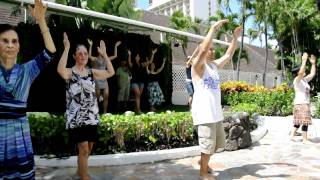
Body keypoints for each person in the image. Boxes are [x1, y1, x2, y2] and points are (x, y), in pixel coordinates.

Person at [0, 0, 56, 179]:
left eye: (14, 41)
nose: (10, 45)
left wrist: (41, 21)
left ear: (18, 46)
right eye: (5, 41)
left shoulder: (27, 71)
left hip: (20, 136)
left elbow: (50, 51)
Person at [57, 33, 115, 180]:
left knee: (87, 149)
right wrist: (67, 48)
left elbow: (110, 72)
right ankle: (84, 177)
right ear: (75, 56)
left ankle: (80, 172)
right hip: (76, 118)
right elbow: (60, 70)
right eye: (79, 53)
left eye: (85, 53)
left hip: (92, 117)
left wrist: (105, 54)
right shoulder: (70, 72)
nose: (83, 55)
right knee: (83, 148)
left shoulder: (91, 72)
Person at [191, 19, 242, 180]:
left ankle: (202, 162)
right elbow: (204, 48)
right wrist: (213, 28)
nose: (212, 51)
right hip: (204, 115)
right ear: (202, 51)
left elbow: (228, 54)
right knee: (207, 145)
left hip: (215, 114)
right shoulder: (198, 67)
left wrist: (235, 38)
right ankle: (202, 173)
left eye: (213, 49)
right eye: (210, 49)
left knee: (215, 145)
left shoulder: (213, 66)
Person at [88, 39, 121, 113]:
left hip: (104, 78)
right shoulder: (95, 59)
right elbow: (89, 56)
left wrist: (115, 46)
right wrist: (90, 45)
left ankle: (105, 112)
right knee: (97, 95)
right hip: (97, 78)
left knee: (106, 95)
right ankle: (95, 110)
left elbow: (115, 56)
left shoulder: (106, 59)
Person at [290, 53, 316, 144]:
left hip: (303, 103)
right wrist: (304, 61)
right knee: (305, 121)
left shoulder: (304, 80)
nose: (305, 69)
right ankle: (305, 140)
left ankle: (292, 135)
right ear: (298, 72)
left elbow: (312, 74)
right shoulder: (297, 80)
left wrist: (313, 63)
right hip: (301, 103)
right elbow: (301, 73)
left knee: (299, 121)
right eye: (303, 69)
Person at [127, 48, 157, 113]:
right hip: (134, 82)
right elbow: (129, 62)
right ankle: (139, 110)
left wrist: (153, 53)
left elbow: (150, 61)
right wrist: (129, 54)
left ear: (139, 58)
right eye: (136, 56)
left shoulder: (142, 64)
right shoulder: (132, 65)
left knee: (138, 96)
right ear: (134, 58)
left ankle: (135, 109)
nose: (137, 57)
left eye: (138, 56)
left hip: (141, 82)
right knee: (137, 94)